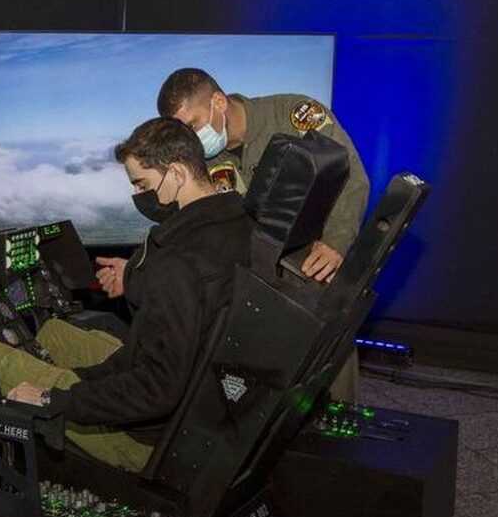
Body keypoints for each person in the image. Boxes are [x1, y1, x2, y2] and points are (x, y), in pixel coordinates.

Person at [0, 118, 252, 473]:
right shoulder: (238, 223)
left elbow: (157, 388)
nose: (138, 196)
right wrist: (85, 379)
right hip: (205, 405)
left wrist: (54, 399)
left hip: (152, 439)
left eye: (142, 184)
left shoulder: (177, 263)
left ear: (177, 172)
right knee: (52, 333)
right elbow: (160, 346)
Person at [96, 68, 368, 399]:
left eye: (193, 124)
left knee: (329, 361)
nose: (191, 138)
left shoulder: (291, 116)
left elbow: (351, 176)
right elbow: (191, 229)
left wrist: (336, 242)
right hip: (257, 277)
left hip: (313, 261)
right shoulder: (202, 162)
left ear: (219, 102)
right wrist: (139, 269)